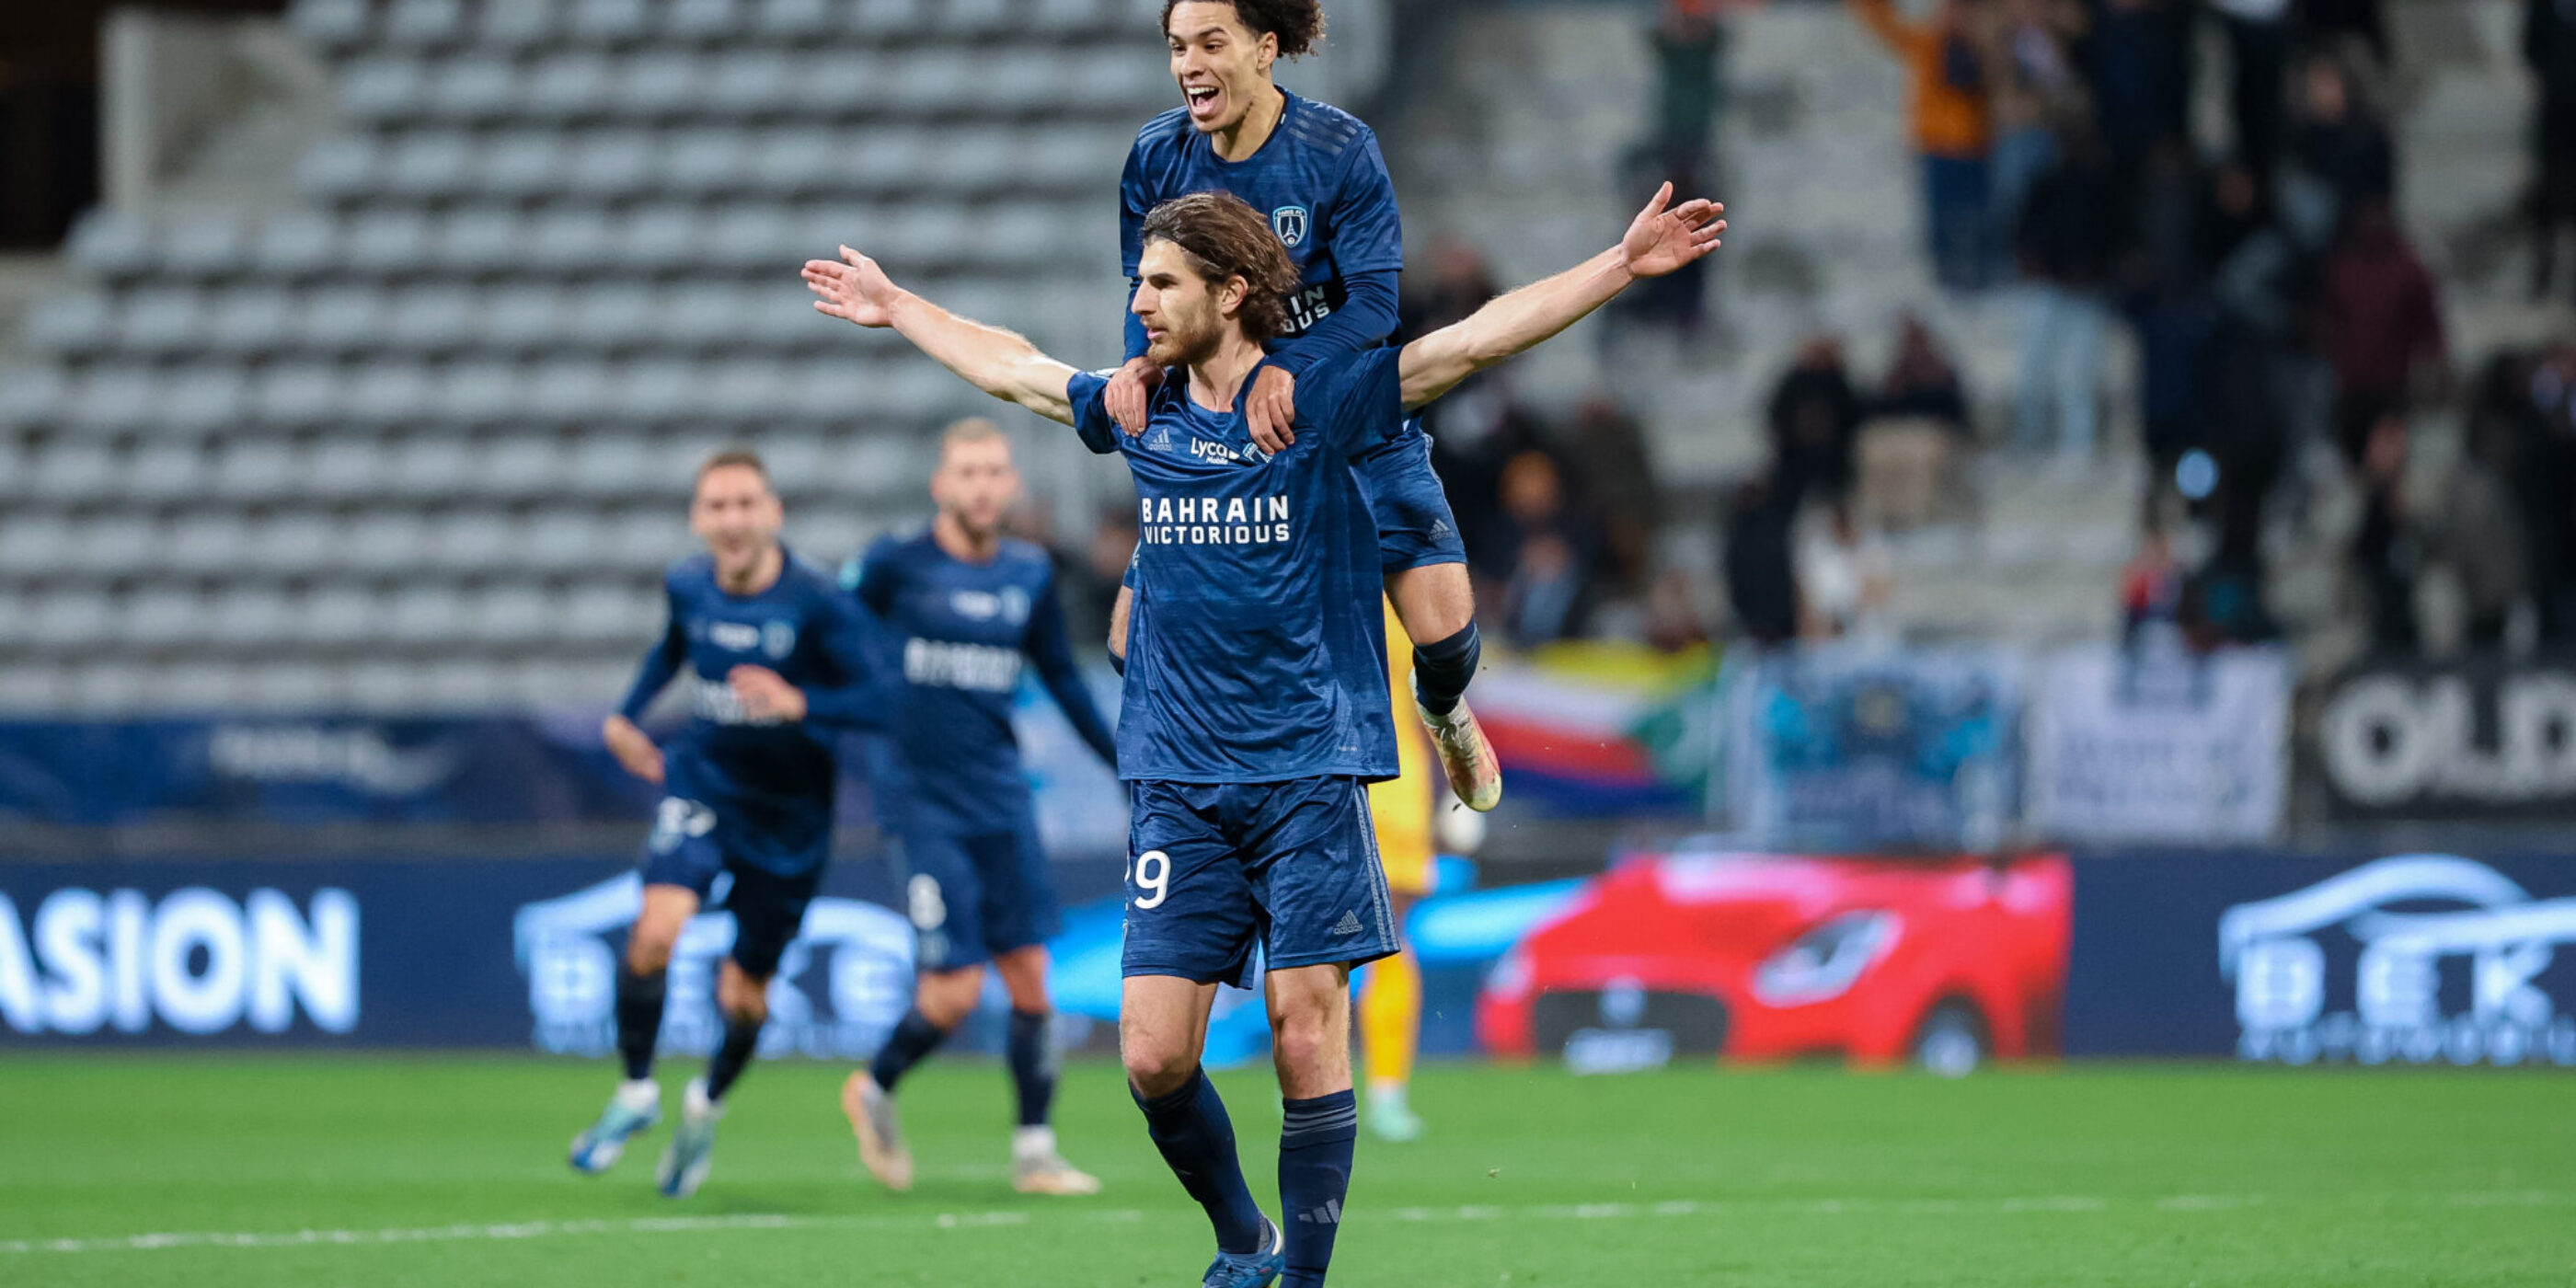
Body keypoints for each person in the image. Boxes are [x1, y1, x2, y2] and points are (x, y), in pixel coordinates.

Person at [805, 182, 1721, 1288]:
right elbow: (1016, 368)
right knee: (1151, 1056)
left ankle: (1304, 1278)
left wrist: (1618, 265)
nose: (1137, 301)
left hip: (1304, 766)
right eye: (1138, 281)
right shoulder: (1140, 410)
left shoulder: (1321, 401)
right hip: (1178, 778)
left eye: (1160, 283)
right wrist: (897, 303)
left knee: (1303, 1021)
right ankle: (1243, 1235)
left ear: (1231, 291)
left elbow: (1467, 344)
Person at [1105, 0, 1501, 814]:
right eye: (1178, 47)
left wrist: (1283, 369)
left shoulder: (1338, 149)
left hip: (1348, 425)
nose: (1190, 65)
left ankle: (1442, 707)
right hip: (1225, 441)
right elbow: (1144, 292)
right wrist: (1140, 362)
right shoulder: (1156, 155)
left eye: (1212, 44)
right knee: (1123, 641)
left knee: (1447, 640)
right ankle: (1211, 774)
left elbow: (1376, 307)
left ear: (1266, 48)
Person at [569, 450, 886, 1199]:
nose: (733, 519)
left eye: (747, 504)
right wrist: (624, 715)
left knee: (744, 995)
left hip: (790, 820)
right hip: (704, 784)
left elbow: (885, 699)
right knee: (653, 934)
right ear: (698, 519)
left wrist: (800, 702)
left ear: (773, 513)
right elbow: (672, 649)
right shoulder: (686, 583)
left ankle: (703, 1108)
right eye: (718, 506)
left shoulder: (816, 601)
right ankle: (638, 1091)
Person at [837, 419, 1118, 1198]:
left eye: (995, 472)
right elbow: (829, 624)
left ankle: (1035, 1153)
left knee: (1032, 979)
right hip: (923, 803)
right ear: (941, 485)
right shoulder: (895, 565)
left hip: (1001, 795)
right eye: (968, 472)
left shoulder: (1027, 574)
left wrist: (1127, 766)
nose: (983, 486)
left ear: (1012, 486)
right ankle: (876, 1083)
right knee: (955, 990)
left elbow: (1062, 679)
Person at [1357, 596, 1438, 1143]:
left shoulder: (1307, 561)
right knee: (1391, 938)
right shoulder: (1411, 578)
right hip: (1397, 773)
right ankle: (1386, 1090)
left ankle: (1307, 1071)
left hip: (1318, 768)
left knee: (1312, 936)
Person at [1849, 0, 1996, 291]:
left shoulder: (1986, 48)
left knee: (1977, 219)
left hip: (1975, 149)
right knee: (1940, 221)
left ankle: (1979, 278)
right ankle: (1946, 280)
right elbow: (1886, 27)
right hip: (1936, 148)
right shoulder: (1929, 44)